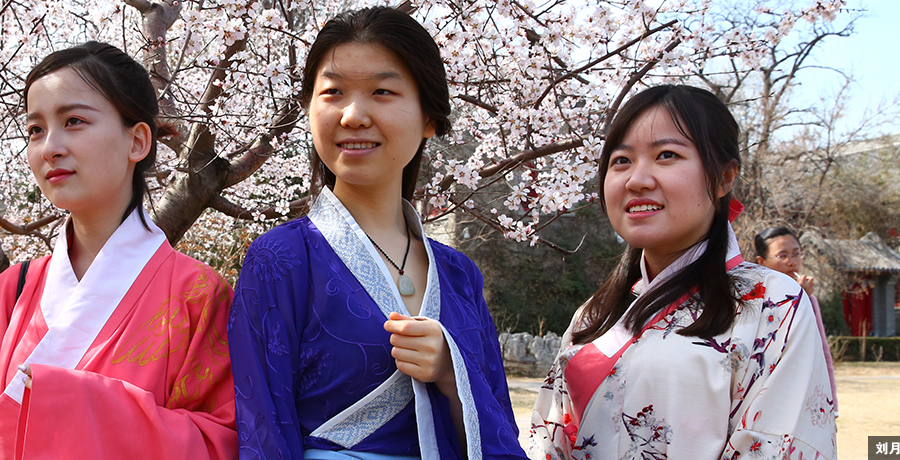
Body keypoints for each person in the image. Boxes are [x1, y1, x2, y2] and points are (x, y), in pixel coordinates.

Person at [228, 7, 525, 459]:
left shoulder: (460, 274)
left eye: (382, 91)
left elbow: (501, 426)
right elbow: (262, 426)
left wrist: (452, 373)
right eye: (333, 92)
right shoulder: (280, 258)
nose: (352, 115)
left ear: (429, 117)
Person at [0, 42, 236, 460]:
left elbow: (220, 443)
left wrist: (68, 400)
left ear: (137, 141)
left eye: (73, 121)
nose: (49, 147)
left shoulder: (198, 294)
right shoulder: (12, 290)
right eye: (35, 130)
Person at [528, 86, 836, 458]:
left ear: (724, 177)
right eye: (621, 160)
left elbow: (780, 444)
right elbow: (548, 438)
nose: (637, 180)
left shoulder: (773, 304)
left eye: (667, 155)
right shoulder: (594, 314)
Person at [754, 226, 837, 405]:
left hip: (801, 389)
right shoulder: (754, 299)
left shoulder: (809, 298)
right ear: (762, 262)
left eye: (796, 254)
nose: (792, 262)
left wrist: (832, 403)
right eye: (782, 256)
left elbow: (822, 351)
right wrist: (798, 299)